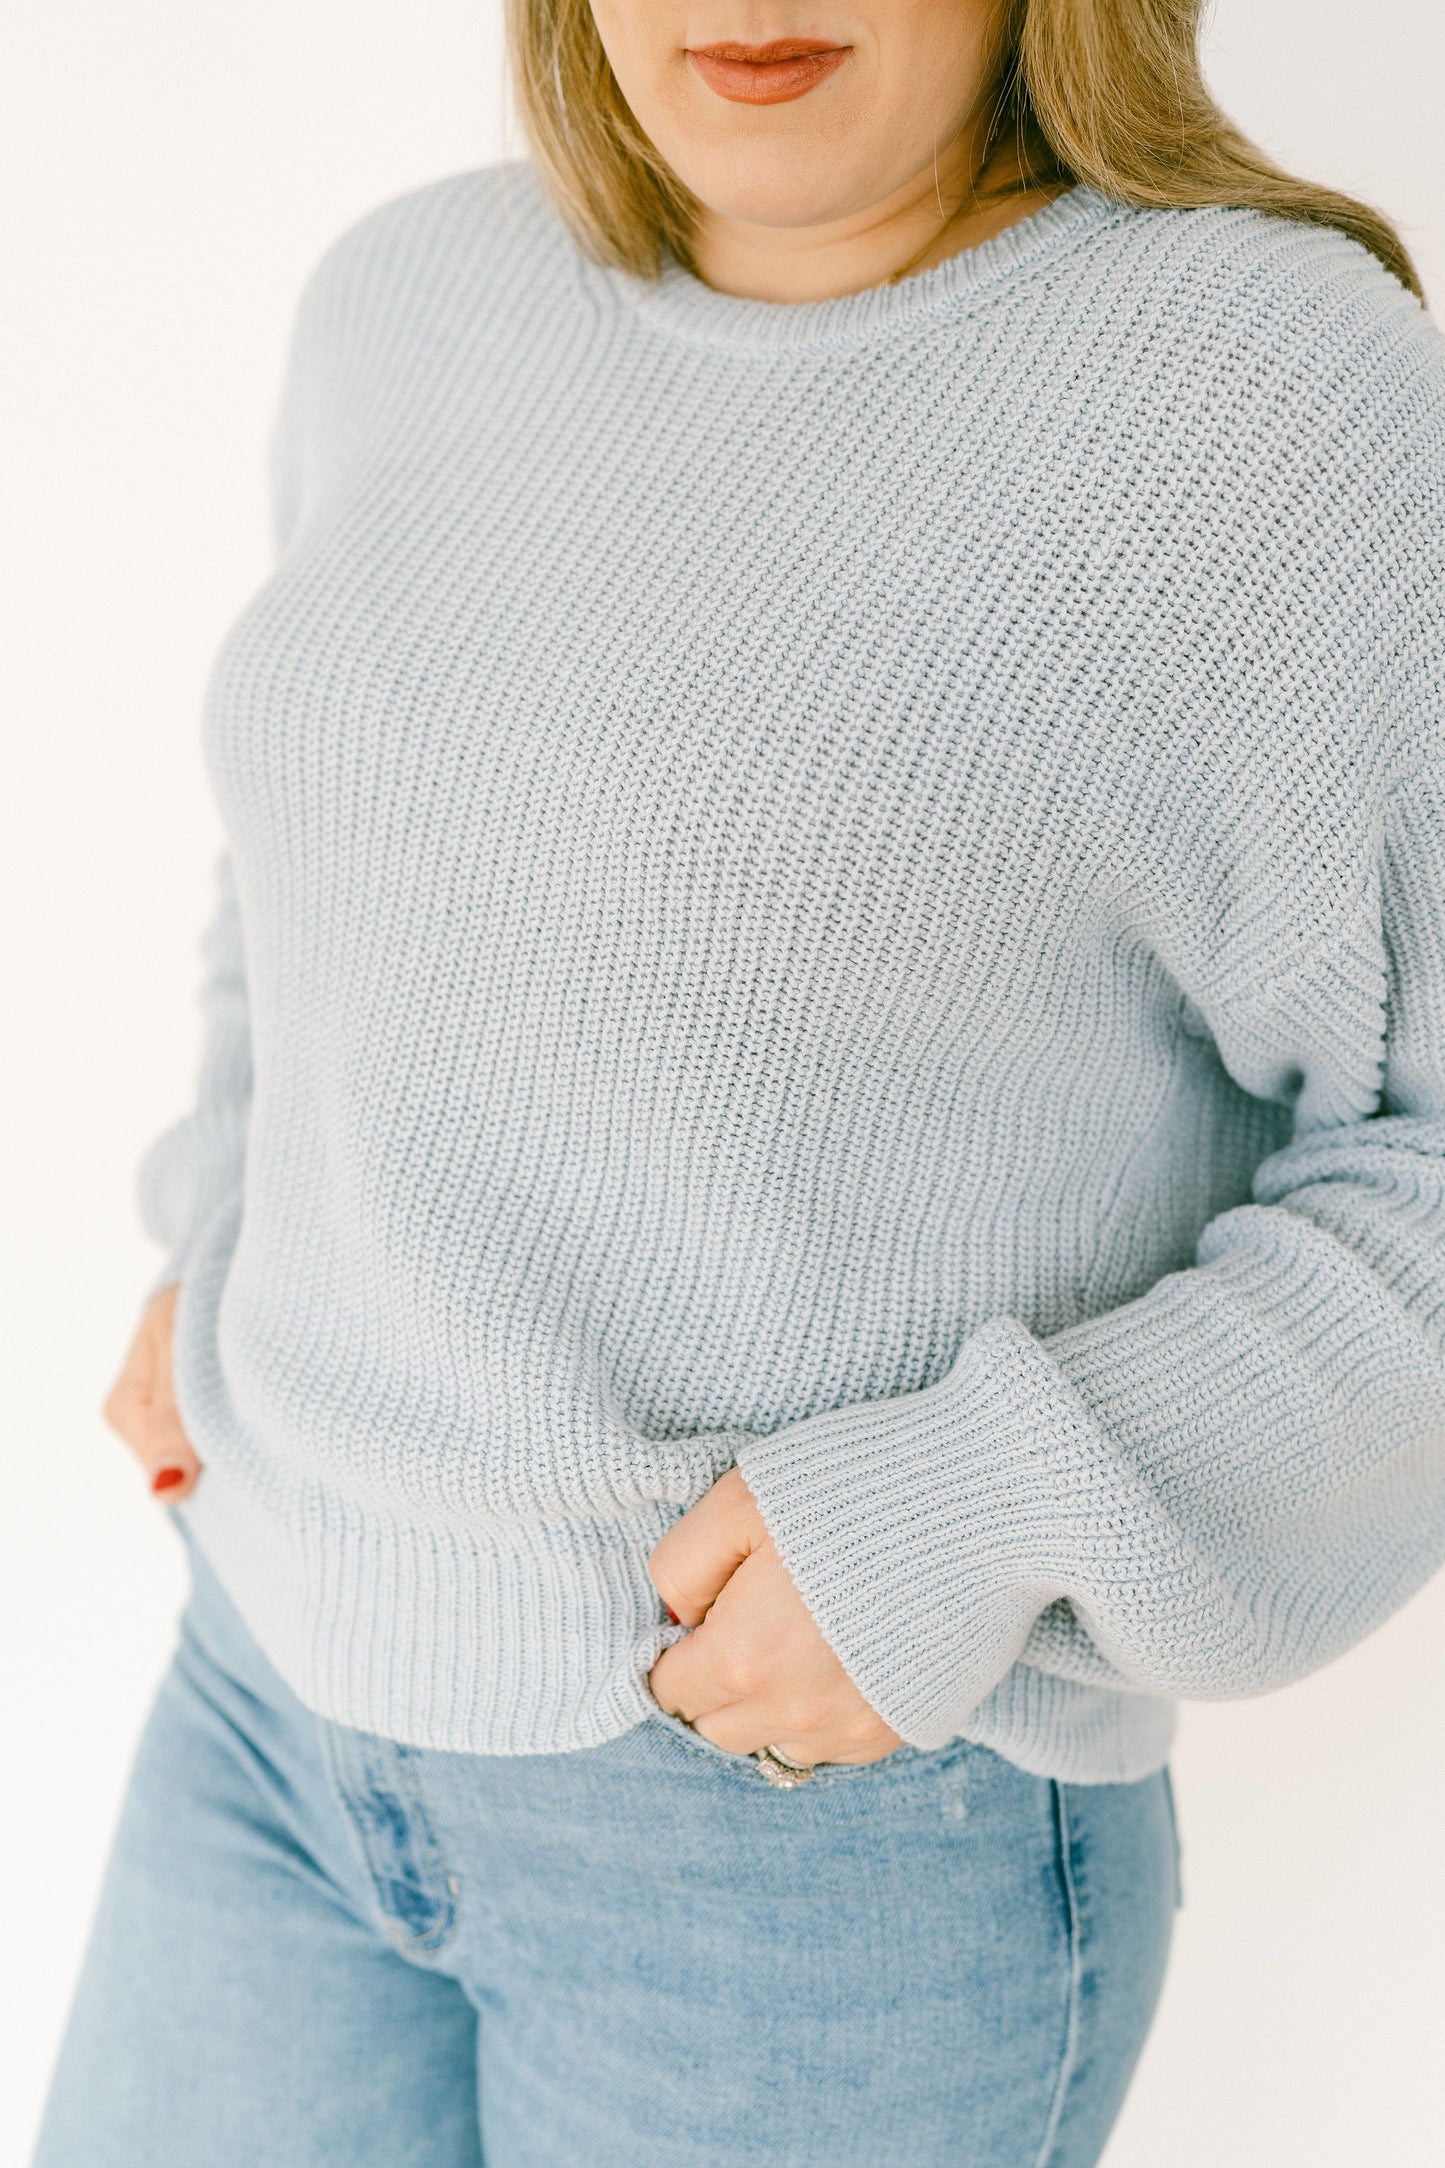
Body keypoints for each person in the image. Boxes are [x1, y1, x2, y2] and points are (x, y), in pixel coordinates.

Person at [35, 0, 1445, 2161]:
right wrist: (223, 1222)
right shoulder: (409, 300)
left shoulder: (1271, 395)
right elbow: (325, 867)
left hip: (817, 1858)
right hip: (268, 1714)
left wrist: (969, 1518)